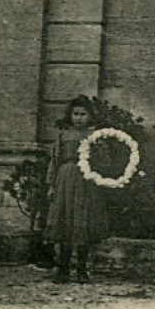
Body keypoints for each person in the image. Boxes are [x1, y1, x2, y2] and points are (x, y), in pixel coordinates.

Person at [45, 95, 110, 283]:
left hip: (87, 181)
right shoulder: (63, 135)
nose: (79, 118)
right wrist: (51, 185)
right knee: (65, 221)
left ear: (90, 116)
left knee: (84, 221)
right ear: (70, 115)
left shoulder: (95, 136)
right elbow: (54, 161)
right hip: (66, 179)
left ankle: (82, 269)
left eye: (83, 114)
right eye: (76, 114)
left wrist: (97, 159)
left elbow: (105, 161)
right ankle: (63, 268)